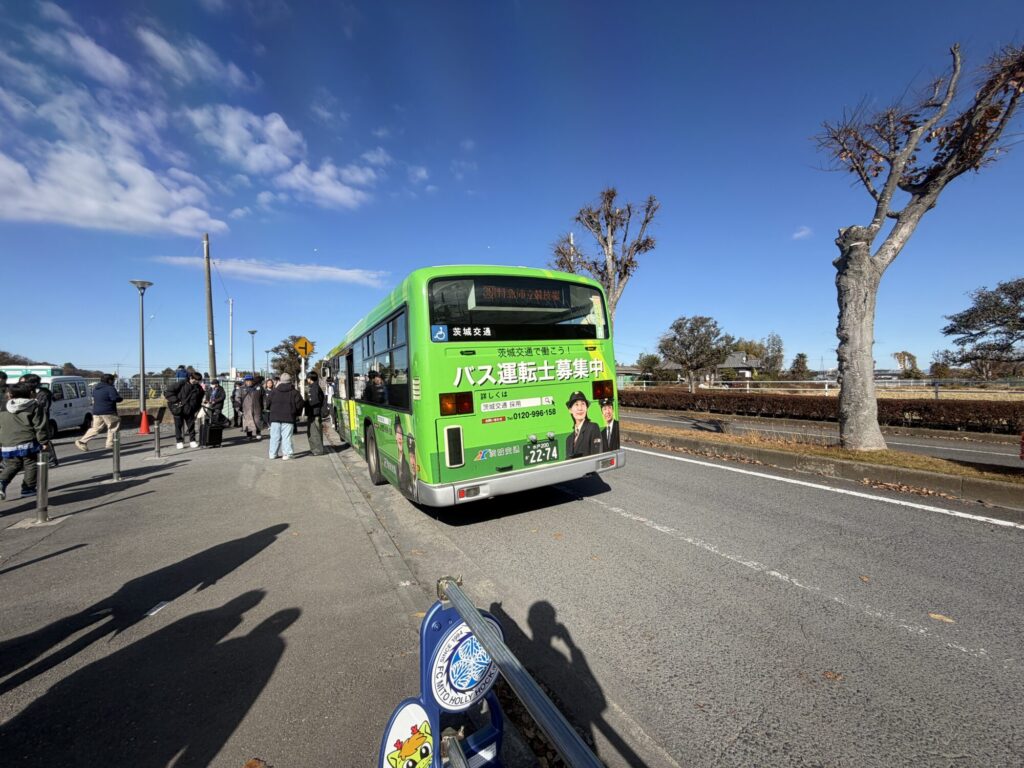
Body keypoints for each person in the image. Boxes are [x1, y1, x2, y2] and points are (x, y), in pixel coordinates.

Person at [0, 383, 51, 500]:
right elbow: (40, 426)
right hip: (28, 440)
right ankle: (28, 489)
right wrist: (44, 441)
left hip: (8, 441)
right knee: (31, 463)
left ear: (10, 394)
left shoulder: (3, 406)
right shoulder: (34, 405)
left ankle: (1, 482)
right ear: (29, 393)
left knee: (13, 464)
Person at [76, 374, 122, 451]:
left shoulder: (96, 389)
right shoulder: (110, 388)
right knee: (113, 427)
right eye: (113, 380)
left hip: (97, 412)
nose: (113, 382)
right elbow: (115, 398)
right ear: (109, 380)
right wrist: (120, 398)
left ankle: (82, 441)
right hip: (108, 411)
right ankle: (111, 443)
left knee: (95, 429)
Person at [268, 373, 304, 460]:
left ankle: (272, 454)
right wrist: (296, 414)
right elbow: (300, 405)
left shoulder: (274, 392)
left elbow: (267, 403)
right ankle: (287, 454)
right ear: (290, 382)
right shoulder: (295, 392)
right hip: (289, 417)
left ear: (280, 381)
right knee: (287, 437)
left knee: (274, 437)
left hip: (275, 417)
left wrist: (271, 410)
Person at [165, 371, 203, 449]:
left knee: (191, 426)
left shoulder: (198, 387)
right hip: (179, 408)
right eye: (195, 380)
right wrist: (176, 400)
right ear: (190, 378)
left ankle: (192, 441)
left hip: (190, 409)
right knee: (178, 426)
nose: (196, 382)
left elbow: (199, 399)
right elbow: (168, 392)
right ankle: (179, 441)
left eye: (198, 381)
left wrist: (197, 409)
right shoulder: (181, 383)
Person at [563, 390, 602, 458]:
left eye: (583, 404)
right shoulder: (568, 439)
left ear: (586, 408)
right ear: (570, 410)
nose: (580, 408)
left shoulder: (593, 427)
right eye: (576, 404)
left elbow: (596, 456)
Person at [304, 371, 326, 456]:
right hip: (312, 413)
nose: (307, 379)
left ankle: (318, 450)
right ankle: (314, 449)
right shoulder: (313, 387)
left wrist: (306, 403)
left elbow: (315, 400)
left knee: (315, 433)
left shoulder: (314, 388)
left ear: (310, 378)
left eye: (308, 378)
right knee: (313, 432)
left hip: (314, 413)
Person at [395, 419, 417, 498]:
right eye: (398, 434)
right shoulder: (397, 462)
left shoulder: (407, 465)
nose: (400, 438)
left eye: (401, 435)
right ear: (395, 437)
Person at [240, 375, 264, 440]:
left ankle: (258, 433)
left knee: (257, 421)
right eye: (247, 380)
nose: (249, 382)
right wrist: (238, 408)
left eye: (250, 380)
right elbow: (238, 398)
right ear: (245, 381)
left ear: (252, 381)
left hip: (257, 407)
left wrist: (264, 406)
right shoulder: (242, 388)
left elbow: (263, 397)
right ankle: (249, 435)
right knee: (248, 421)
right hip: (246, 408)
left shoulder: (259, 387)